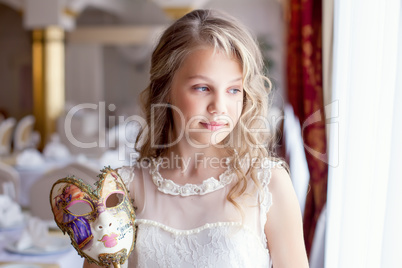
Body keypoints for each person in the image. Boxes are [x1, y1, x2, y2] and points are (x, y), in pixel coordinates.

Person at [84, 9, 308, 268]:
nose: (219, 106)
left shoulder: (267, 184)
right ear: (166, 88)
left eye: (234, 90)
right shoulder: (122, 189)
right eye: (202, 88)